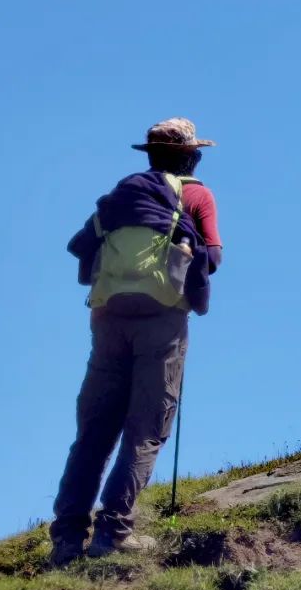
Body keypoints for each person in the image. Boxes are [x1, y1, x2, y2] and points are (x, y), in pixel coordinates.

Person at [49, 118, 223, 566]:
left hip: (107, 318)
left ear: (150, 155)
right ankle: (113, 533)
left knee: (94, 433)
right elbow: (214, 257)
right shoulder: (196, 195)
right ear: (191, 156)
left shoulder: (124, 194)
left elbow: (80, 245)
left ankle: (66, 539)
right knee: (145, 428)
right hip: (162, 319)